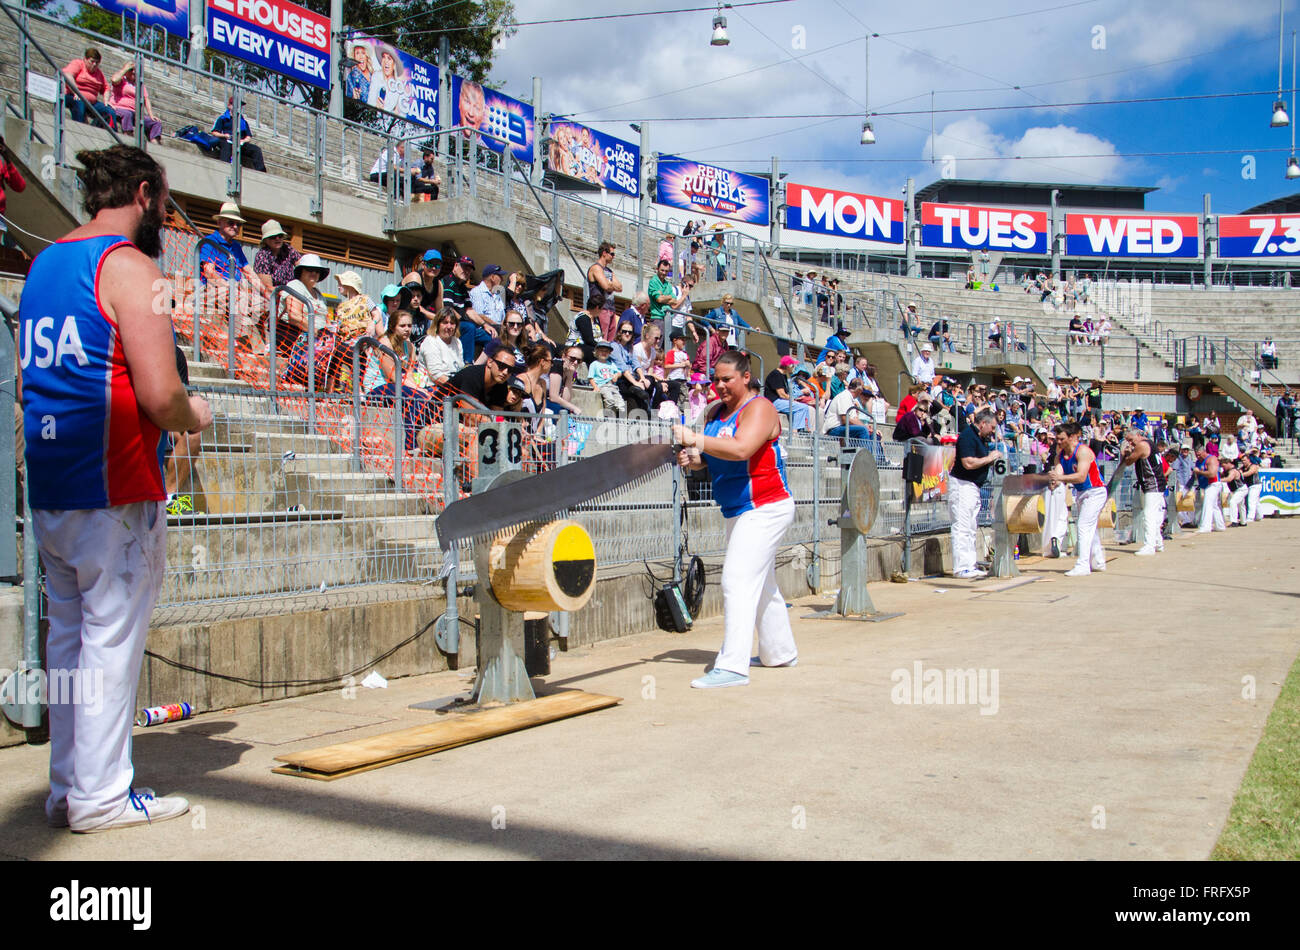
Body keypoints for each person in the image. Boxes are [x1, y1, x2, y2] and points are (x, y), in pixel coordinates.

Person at [20, 145, 213, 832]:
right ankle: (100, 797)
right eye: (163, 201)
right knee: (108, 644)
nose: (165, 215)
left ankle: (70, 787)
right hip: (114, 484)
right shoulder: (134, 268)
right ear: (141, 193)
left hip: (51, 484)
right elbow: (162, 395)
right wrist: (199, 413)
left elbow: (27, 382)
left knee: (68, 644)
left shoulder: (43, 263)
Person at [673, 351, 796, 688]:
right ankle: (779, 651)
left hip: (766, 506)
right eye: (715, 379)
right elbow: (711, 455)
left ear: (745, 377)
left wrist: (695, 439)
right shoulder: (715, 412)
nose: (720, 385)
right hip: (738, 509)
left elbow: (742, 449)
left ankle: (733, 666)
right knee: (762, 583)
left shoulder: (760, 408)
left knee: (737, 580)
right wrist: (694, 458)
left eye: (727, 379)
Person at [947, 408, 1000, 579]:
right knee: (962, 526)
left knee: (970, 527)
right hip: (962, 485)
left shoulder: (980, 438)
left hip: (973, 486)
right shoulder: (967, 436)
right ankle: (961, 567)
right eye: (991, 427)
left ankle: (969, 564)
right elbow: (968, 463)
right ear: (983, 423)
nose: (993, 431)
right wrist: (989, 458)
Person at [1051, 420, 1107, 576]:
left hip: (1096, 491)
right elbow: (1059, 474)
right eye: (1057, 439)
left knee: (1083, 525)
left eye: (1062, 439)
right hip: (1082, 493)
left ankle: (1083, 565)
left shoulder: (1082, 451)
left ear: (1071, 437)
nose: (1059, 442)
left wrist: (1059, 479)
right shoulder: (1060, 456)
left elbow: (1081, 476)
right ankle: (1098, 561)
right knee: (1090, 528)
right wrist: (1053, 481)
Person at [1122, 429, 1164, 556]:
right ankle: (1158, 542)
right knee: (1154, 516)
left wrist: (1126, 452)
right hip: (1152, 484)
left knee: (1149, 515)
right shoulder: (1150, 443)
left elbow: (1129, 461)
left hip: (1153, 484)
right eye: (1128, 440)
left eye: (1131, 439)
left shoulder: (1142, 445)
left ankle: (1149, 545)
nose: (1130, 443)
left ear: (1139, 436)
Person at [62, 48, 116, 130]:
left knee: (109, 111)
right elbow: (68, 75)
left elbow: (106, 88)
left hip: (92, 103)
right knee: (79, 102)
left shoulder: (99, 73)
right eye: (92, 61)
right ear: (85, 59)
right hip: (73, 96)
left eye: (97, 63)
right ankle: (79, 129)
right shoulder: (78, 64)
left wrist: (106, 101)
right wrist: (76, 92)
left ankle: (112, 134)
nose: (94, 64)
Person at [108, 63, 161, 141]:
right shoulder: (121, 79)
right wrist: (125, 69)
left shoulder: (139, 84)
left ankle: (155, 145)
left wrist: (151, 115)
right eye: (131, 70)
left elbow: (146, 99)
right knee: (127, 114)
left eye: (135, 70)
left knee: (156, 123)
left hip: (135, 113)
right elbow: (114, 80)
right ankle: (128, 138)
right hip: (119, 108)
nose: (133, 72)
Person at [211, 98, 266, 172]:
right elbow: (214, 132)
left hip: (239, 143)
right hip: (227, 140)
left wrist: (242, 140)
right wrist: (224, 135)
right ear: (229, 106)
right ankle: (223, 167)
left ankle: (261, 171)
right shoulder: (223, 119)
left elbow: (248, 137)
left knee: (256, 150)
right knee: (226, 147)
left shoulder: (243, 121)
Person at [765, 355, 811, 432]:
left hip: (780, 400)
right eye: (792, 365)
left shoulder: (783, 375)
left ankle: (805, 429)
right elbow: (781, 394)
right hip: (774, 402)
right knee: (801, 407)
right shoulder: (776, 374)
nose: (793, 367)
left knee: (804, 407)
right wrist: (792, 399)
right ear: (787, 366)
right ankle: (794, 432)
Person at [1193, 445, 1225, 533]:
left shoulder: (1211, 459)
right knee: (1214, 505)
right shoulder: (1198, 462)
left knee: (1207, 503)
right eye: (1196, 455)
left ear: (1204, 451)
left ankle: (1205, 526)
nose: (1198, 457)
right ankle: (1220, 525)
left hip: (1213, 484)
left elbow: (1212, 474)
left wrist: (1199, 472)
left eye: (1199, 455)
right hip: (1205, 485)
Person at [587, 241, 623, 307]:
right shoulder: (596, 268)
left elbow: (620, 288)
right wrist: (611, 285)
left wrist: (610, 284)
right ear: (604, 253)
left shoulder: (609, 271)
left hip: (610, 307)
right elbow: (606, 286)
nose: (613, 257)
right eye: (612, 254)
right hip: (600, 307)